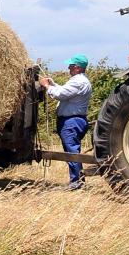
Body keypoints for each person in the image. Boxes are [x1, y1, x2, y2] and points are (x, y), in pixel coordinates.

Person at [39, 54, 93, 190]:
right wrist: (53, 84)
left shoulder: (78, 81)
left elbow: (60, 95)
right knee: (72, 150)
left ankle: (76, 182)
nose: (69, 67)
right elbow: (65, 92)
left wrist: (46, 86)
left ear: (77, 68)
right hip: (74, 120)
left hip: (71, 121)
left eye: (71, 65)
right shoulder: (80, 80)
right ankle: (78, 180)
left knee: (71, 151)